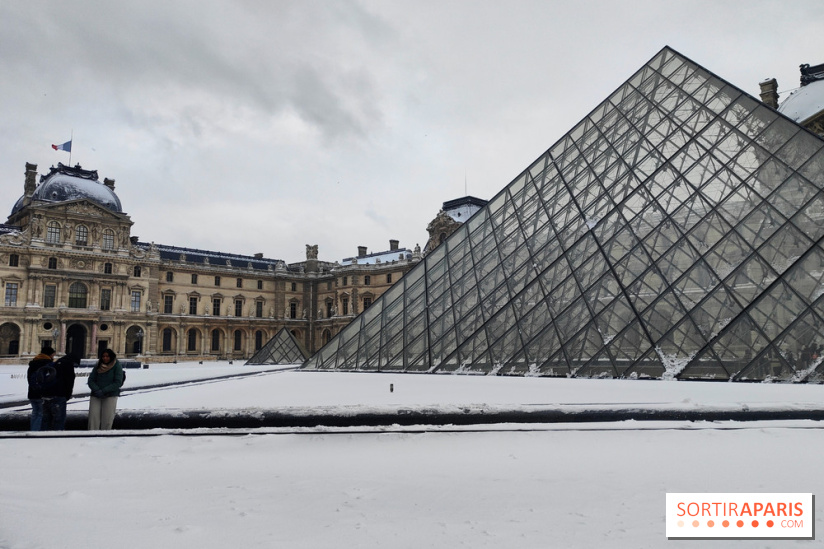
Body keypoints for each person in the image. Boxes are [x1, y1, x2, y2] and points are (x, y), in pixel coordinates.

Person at [87, 349, 124, 430]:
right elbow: (91, 380)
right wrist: (97, 390)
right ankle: (91, 435)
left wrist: (103, 391)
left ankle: (105, 436)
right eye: (103, 356)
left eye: (107, 356)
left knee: (107, 418)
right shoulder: (98, 365)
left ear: (111, 357)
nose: (105, 358)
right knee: (93, 417)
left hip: (110, 395)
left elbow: (118, 382)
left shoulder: (117, 366)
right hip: (96, 395)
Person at [41, 353, 78, 430]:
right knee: (58, 420)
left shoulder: (56, 363)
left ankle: (42, 438)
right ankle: (57, 438)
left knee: (46, 420)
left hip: (47, 394)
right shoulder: (68, 365)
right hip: (59, 395)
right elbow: (69, 381)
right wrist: (67, 395)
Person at [27, 345, 56, 431]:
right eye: (53, 355)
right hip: (43, 394)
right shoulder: (48, 364)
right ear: (49, 354)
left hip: (32, 392)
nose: (53, 357)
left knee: (35, 413)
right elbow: (50, 379)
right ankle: (38, 433)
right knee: (42, 414)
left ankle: (33, 430)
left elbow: (29, 378)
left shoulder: (32, 363)